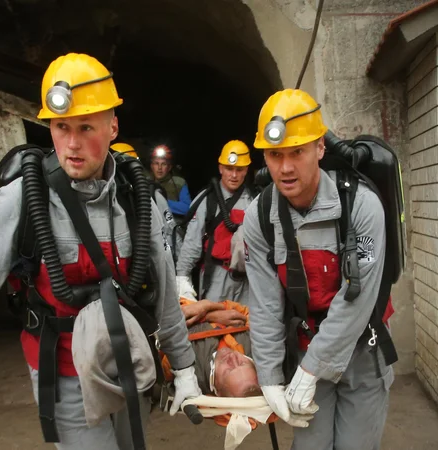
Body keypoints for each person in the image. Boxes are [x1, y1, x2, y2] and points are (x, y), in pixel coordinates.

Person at [0, 53, 200, 450]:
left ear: (113, 126)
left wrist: (183, 366)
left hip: (127, 363)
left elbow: (163, 286)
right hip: (64, 373)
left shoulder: (137, 200)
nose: (73, 144)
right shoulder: (23, 201)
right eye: (62, 127)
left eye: (86, 127)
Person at [243, 88, 395, 446]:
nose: (285, 167)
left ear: (320, 149)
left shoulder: (361, 205)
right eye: (275, 155)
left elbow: (357, 300)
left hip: (362, 350)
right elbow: (265, 304)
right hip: (305, 346)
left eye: (297, 152)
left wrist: (314, 368)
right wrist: (269, 376)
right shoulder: (260, 216)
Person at [174, 140, 254, 303]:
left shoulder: (255, 200)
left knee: (246, 324)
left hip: (248, 279)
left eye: (239, 170)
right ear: (220, 168)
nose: (234, 175)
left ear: (246, 170)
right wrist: (182, 276)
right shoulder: (207, 199)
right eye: (229, 168)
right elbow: (192, 242)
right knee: (215, 325)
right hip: (216, 275)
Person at [150, 144, 190, 216]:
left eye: (164, 164)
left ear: (169, 167)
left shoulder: (179, 183)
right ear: (152, 166)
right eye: (156, 163)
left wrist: (161, 202)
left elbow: (187, 208)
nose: (159, 168)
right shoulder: (145, 183)